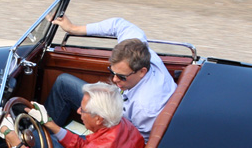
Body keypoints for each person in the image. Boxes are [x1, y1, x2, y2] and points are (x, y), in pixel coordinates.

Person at [45, 16, 176, 140]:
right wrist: (73, 28)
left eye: (122, 77)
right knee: (63, 83)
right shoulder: (141, 51)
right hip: (115, 106)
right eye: (112, 72)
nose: (114, 80)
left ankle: (43, 140)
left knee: (56, 141)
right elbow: (117, 24)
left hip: (119, 130)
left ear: (142, 71)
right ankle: (44, 131)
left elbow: (134, 142)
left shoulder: (144, 109)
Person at [0, 82, 145, 148]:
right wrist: (51, 124)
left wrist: (15, 143)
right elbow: (87, 147)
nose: (78, 110)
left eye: (83, 110)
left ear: (99, 119)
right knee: (39, 135)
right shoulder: (122, 123)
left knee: (36, 137)